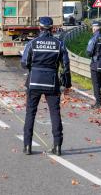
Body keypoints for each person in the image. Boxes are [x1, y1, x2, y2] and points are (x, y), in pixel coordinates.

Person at [21, 17, 71, 156]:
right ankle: (57, 146)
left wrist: (34, 67)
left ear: (40, 28)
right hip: (52, 82)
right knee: (55, 113)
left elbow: (24, 63)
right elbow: (66, 66)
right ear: (52, 29)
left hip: (34, 81)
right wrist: (67, 83)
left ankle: (27, 146)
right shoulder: (59, 44)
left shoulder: (32, 43)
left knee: (30, 113)